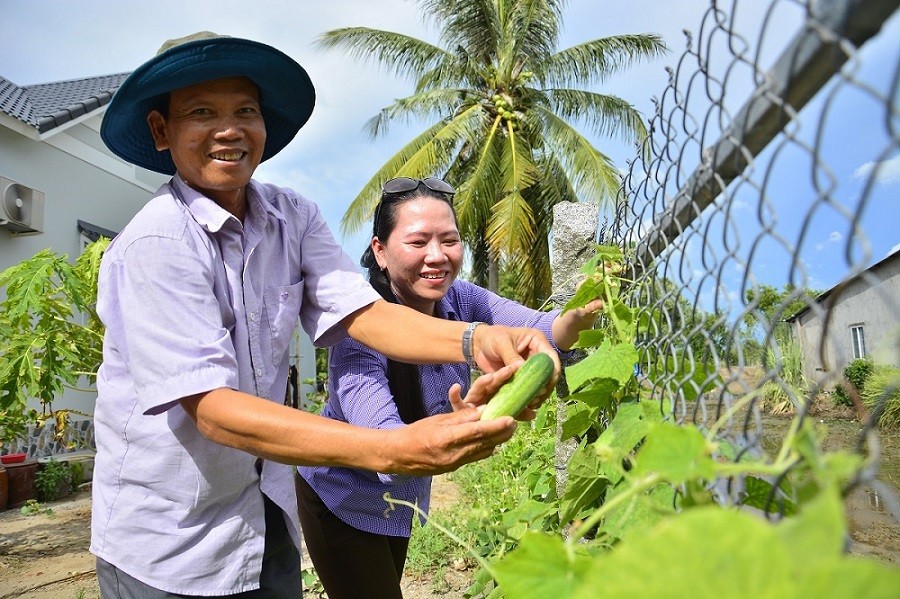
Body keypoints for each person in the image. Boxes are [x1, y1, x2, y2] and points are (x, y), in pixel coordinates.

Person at [90, 32, 560, 598]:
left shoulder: (291, 216)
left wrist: (478, 340)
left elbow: (366, 314)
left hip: (264, 512)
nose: (229, 128)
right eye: (201, 112)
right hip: (170, 541)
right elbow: (211, 410)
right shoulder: (157, 243)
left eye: (245, 110)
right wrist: (393, 450)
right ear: (162, 131)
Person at [297, 177, 602, 598]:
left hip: (397, 502)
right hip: (340, 500)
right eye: (418, 242)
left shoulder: (461, 300)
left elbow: (537, 329)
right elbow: (388, 445)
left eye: (450, 240)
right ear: (380, 252)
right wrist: (468, 425)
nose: (437, 256)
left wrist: (574, 321)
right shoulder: (358, 336)